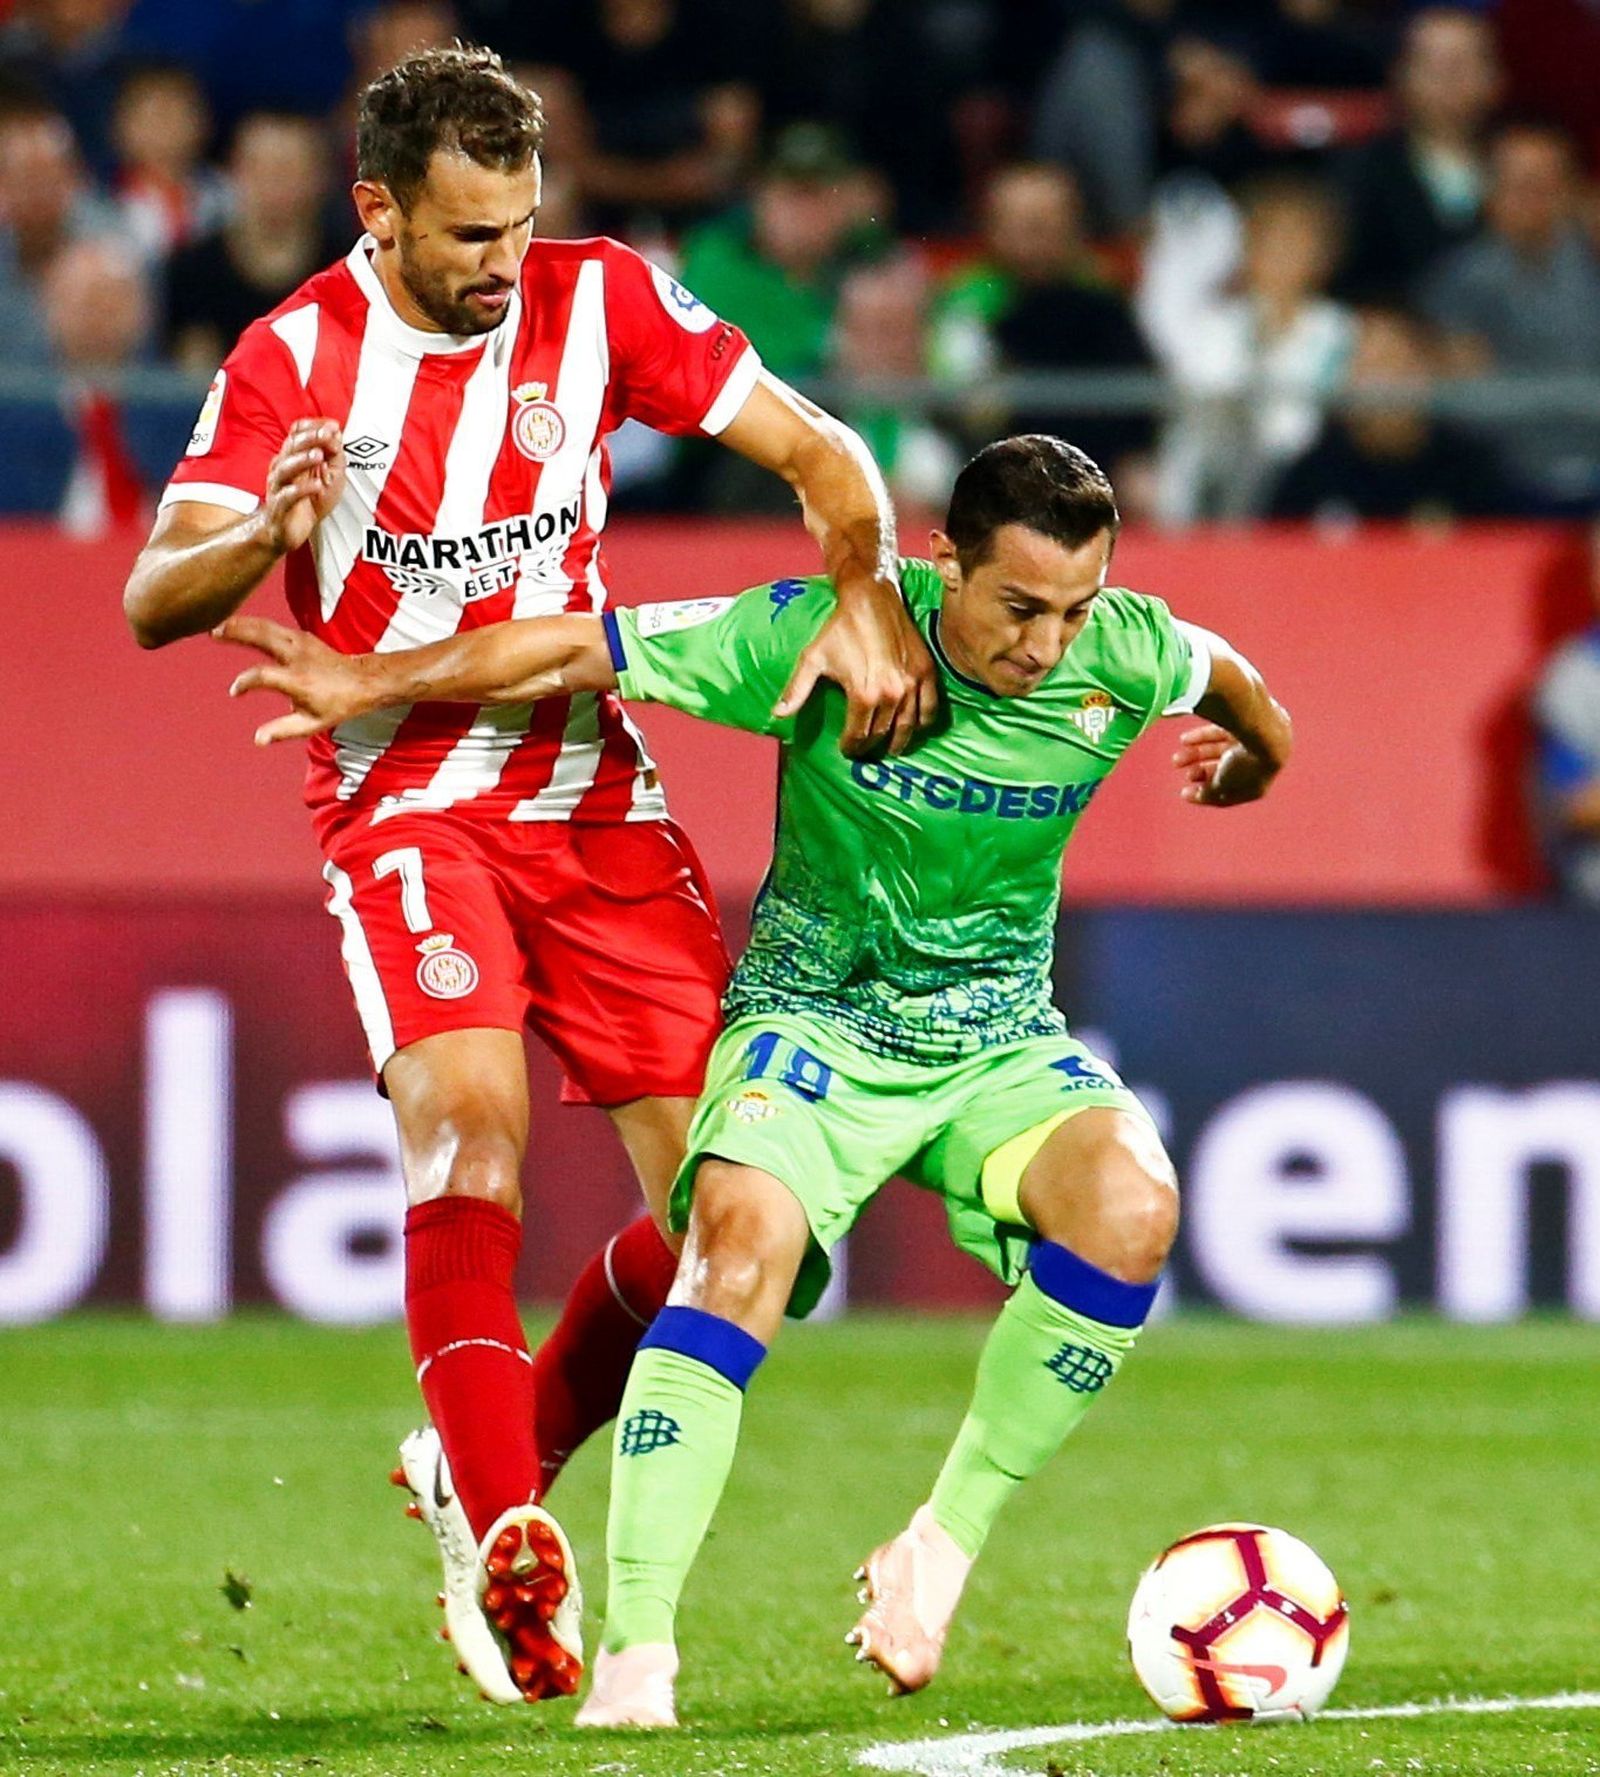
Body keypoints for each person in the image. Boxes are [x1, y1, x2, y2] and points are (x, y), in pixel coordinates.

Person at [216, 434, 1293, 1727]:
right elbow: (573, 647)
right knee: (733, 1257)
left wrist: (1251, 768)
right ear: (942, 559)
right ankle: (636, 1661)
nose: (1046, 645)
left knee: (1134, 1207)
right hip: (813, 1034)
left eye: (1073, 609)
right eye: (1019, 608)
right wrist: (371, 674)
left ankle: (934, 1550)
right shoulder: (823, 635)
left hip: (999, 1040)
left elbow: (1242, 690)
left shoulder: (1124, 648)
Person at [122, 44, 933, 1710]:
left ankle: (485, 1463)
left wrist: (861, 590)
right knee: (467, 1138)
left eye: (522, 226)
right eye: (470, 235)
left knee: (747, 1225)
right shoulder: (296, 358)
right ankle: (503, 1538)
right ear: (382, 210)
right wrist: (258, 541)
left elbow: (827, 451)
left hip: (591, 791)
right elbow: (154, 592)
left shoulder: (599, 303)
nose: (502, 266)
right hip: (402, 798)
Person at [1422, 121, 1600, 517]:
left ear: (1571, 190)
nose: (1529, 200)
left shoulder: (1591, 261)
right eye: (1514, 184)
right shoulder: (1462, 279)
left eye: (1542, 184)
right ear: (1489, 190)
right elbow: (1469, 399)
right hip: (1507, 484)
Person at [1267, 307, 1506, 524]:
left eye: (1391, 361)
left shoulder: (1469, 471)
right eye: (1364, 364)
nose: (1379, 382)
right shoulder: (1311, 477)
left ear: (1425, 370)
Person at [1335, 7, 1502, 306]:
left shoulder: (1523, 165)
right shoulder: (1359, 172)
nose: (1450, 78)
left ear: (1496, 77)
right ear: (1400, 74)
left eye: (1465, 62)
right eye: (1434, 63)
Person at [161, 110, 345, 374]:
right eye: (260, 168)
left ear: (319, 178)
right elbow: (193, 378)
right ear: (234, 171)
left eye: (289, 169)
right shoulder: (193, 268)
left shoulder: (350, 267)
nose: (275, 183)